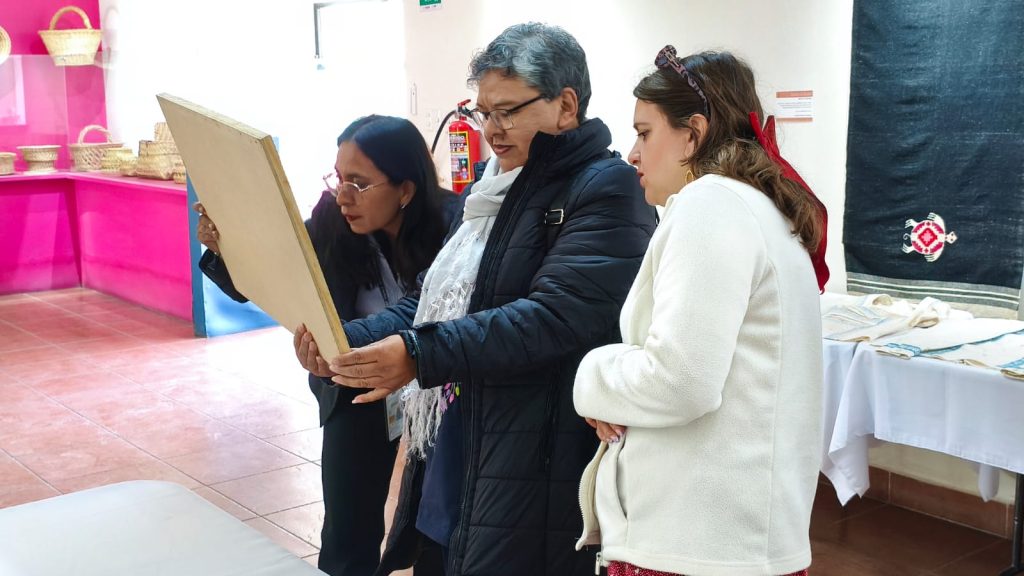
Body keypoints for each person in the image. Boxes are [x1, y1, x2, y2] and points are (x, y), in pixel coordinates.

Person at [305, 23, 657, 576]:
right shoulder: (489, 190)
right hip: (461, 438)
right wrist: (344, 342)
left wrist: (419, 355)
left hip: (535, 455)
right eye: (484, 113)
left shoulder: (605, 188)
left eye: (508, 112)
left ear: (566, 106)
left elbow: (553, 317)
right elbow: (431, 301)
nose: (492, 130)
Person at [573, 46, 828, 576]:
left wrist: (593, 376)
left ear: (693, 133)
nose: (633, 154)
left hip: (697, 544)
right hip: (738, 538)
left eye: (644, 133)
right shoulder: (760, 208)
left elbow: (681, 379)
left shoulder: (711, 204)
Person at [195, 115, 459, 576]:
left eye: (359, 182)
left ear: (406, 189)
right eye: (339, 178)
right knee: (347, 529)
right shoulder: (332, 221)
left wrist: (345, 344)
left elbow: (427, 310)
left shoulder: (454, 225)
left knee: (437, 523)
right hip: (354, 381)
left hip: (437, 383)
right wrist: (225, 245)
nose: (343, 195)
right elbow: (270, 272)